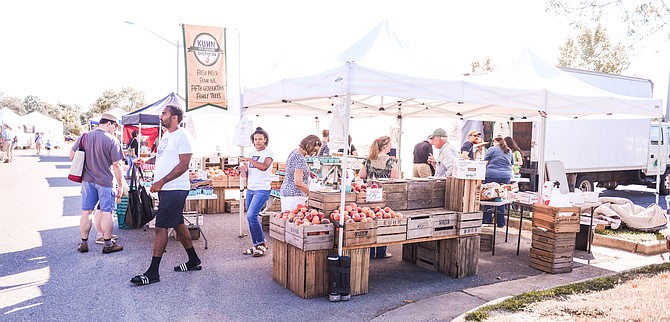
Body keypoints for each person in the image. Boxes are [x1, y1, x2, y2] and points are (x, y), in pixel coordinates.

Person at [131, 105, 201, 286]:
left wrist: (161, 182)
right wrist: (147, 160)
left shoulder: (182, 136)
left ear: (175, 117)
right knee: (178, 224)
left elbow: (184, 165)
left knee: (161, 227)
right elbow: (163, 156)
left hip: (174, 189)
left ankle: (153, 272)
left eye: (164, 113)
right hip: (167, 189)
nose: (161, 116)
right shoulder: (167, 135)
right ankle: (193, 260)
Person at [70, 112, 124, 254]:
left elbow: (72, 155)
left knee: (86, 212)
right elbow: (117, 165)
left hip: (87, 181)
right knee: (106, 212)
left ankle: (83, 243)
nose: (115, 130)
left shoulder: (84, 136)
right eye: (115, 126)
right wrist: (120, 185)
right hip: (105, 181)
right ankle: (107, 244)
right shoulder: (112, 140)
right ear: (108, 124)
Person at [358, 135, 398, 259]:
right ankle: (381, 251)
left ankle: (369, 251)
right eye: (390, 145)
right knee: (382, 221)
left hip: (370, 193)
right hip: (383, 193)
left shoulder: (369, 158)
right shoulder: (390, 161)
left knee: (370, 219)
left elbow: (361, 175)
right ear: (385, 147)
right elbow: (395, 178)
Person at [239, 127, 273, 257]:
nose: (258, 141)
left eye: (260, 139)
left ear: (265, 140)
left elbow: (264, 167)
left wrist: (248, 160)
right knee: (250, 217)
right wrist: (242, 169)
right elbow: (247, 174)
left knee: (252, 216)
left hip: (262, 189)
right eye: (255, 139)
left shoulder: (268, 153)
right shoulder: (252, 153)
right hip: (251, 189)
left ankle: (262, 243)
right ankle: (256, 245)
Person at [280, 135, 321, 211]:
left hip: (286, 192)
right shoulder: (300, 158)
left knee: (287, 219)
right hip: (295, 196)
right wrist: (311, 193)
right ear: (309, 145)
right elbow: (298, 182)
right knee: (293, 219)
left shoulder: (294, 152)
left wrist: (307, 172)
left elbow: (292, 170)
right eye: (314, 150)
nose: (314, 153)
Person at [482, 137, 514, 227]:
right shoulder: (509, 150)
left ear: (495, 142)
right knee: (501, 197)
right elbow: (511, 164)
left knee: (488, 196)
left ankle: (486, 220)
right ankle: (501, 223)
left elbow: (485, 162)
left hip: (491, 174)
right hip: (505, 176)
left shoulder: (491, 149)